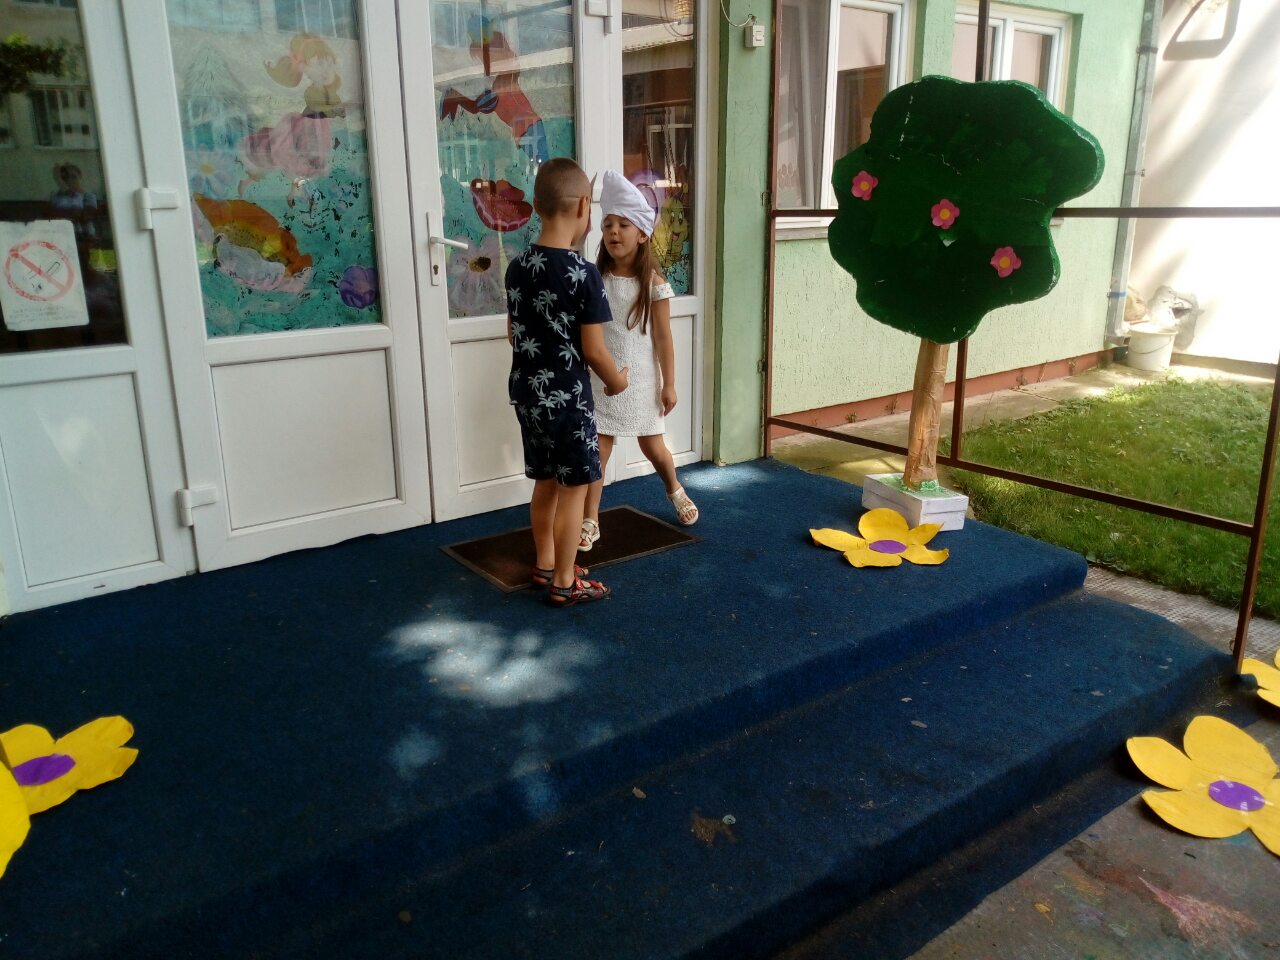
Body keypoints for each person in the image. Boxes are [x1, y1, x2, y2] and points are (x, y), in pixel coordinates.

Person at [505, 158, 629, 607]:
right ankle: (563, 580)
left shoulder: (517, 267)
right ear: (583, 208)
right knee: (574, 488)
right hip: (568, 401)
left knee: (544, 481)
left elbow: (513, 334)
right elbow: (594, 350)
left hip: (527, 393)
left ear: (537, 206)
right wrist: (617, 382)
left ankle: (544, 563)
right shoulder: (583, 274)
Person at [580, 171, 699, 554]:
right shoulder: (595, 278)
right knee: (598, 450)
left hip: (644, 380)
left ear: (643, 234)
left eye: (623, 225)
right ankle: (590, 519)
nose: (613, 232)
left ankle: (674, 488)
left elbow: (663, 338)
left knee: (654, 447)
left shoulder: (654, 284)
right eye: (608, 225)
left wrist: (670, 383)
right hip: (603, 379)